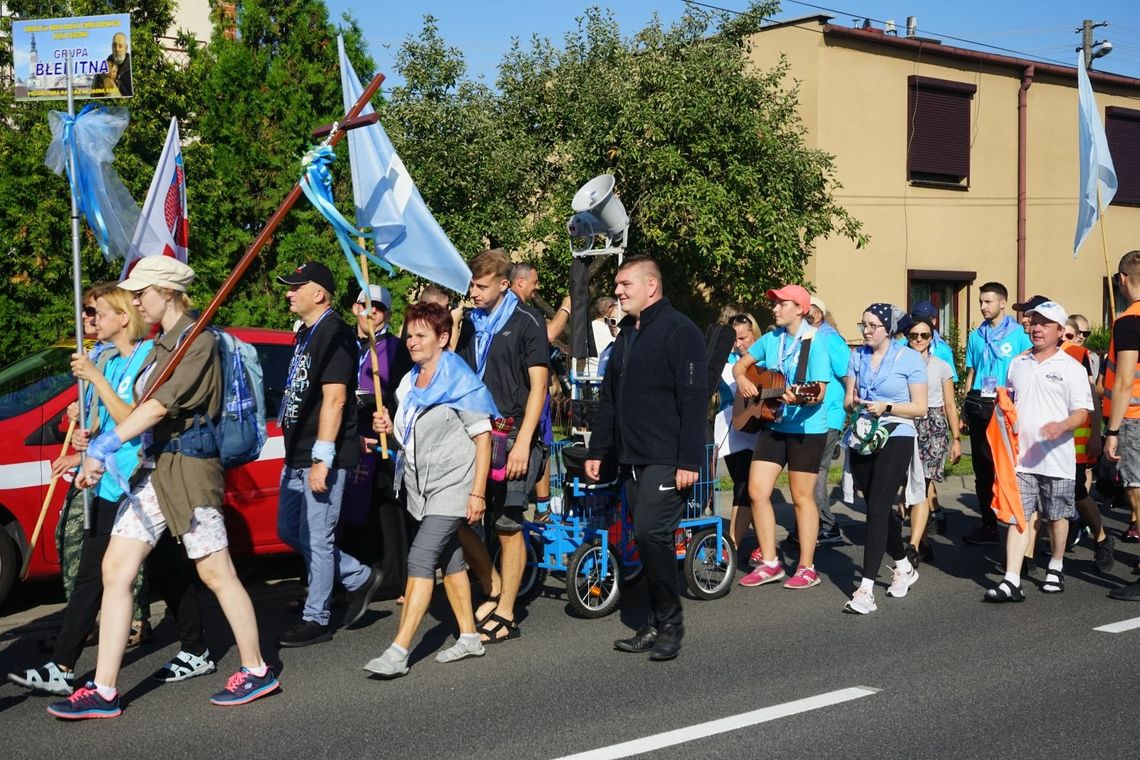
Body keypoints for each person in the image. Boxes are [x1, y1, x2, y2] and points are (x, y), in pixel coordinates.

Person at [51, 257, 278, 719]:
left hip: (191, 472)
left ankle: (257, 670)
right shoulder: (160, 348)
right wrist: (95, 449)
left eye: (142, 293)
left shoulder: (200, 342)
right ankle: (105, 689)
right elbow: (135, 409)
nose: (135, 301)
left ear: (168, 293)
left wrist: (106, 445)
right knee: (117, 568)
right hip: (153, 472)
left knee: (216, 573)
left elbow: (157, 408)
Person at [8, 286, 160, 695]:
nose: (88, 319)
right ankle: (62, 663)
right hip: (111, 478)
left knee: (187, 566)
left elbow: (132, 416)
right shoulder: (107, 359)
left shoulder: (146, 357)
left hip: (144, 478)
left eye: (96, 311)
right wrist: (83, 449)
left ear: (123, 317)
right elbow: (105, 425)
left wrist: (94, 382)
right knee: (94, 573)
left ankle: (198, 643)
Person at [364, 302, 498, 676]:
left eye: (421, 335)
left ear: (443, 338)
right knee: (451, 558)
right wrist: (387, 424)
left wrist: (477, 493)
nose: (412, 341)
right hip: (420, 485)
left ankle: (398, 650)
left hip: (455, 484)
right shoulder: (410, 381)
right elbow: (407, 435)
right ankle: (469, 636)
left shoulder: (458, 378)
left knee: (421, 558)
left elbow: (483, 437)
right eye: (409, 334)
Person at [586, 256, 706, 660]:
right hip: (631, 458)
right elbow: (609, 400)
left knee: (651, 533)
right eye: (618, 286)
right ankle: (654, 622)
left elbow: (693, 401)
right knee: (644, 536)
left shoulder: (680, 331)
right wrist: (599, 450)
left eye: (625, 284)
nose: (618, 292)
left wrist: (689, 460)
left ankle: (670, 624)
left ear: (651, 286)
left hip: (668, 457)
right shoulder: (627, 336)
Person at [275, 262, 384, 647]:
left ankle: (317, 617)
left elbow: (336, 399)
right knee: (289, 530)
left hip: (321, 454)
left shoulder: (334, 332)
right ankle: (358, 576)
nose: (288, 292)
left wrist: (323, 458)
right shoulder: (306, 334)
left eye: (295, 286)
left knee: (319, 538)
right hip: (296, 453)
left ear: (318, 293)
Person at [456, 249, 549, 643]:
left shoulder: (527, 321)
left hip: (512, 434)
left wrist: (524, 443)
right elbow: (454, 375)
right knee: (460, 517)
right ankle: (494, 586)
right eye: (471, 285)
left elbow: (540, 387)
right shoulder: (472, 323)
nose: (473, 293)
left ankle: (507, 613)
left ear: (504, 285)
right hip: (476, 435)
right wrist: (456, 326)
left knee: (509, 525)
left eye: (480, 286)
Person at [983, 301, 1093, 602]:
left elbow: (1082, 412)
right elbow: (1008, 402)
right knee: (1020, 516)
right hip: (1021, 458)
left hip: (1056, 457)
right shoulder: (1018, 363)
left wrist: (1062, 425)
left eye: (1045, 324)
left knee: (1057, 516)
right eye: (1034, 323)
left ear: (1060, 331)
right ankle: (1012, 579)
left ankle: (1056, 566)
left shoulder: (1071, 367)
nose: (1037, 328)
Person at [732, 285, 832, 590]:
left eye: (781, 304)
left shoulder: (815, 344)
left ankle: (806, 567)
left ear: (799, 309)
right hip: (773, 425)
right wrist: (743, 381)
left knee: (802, 498)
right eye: (774, 304)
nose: (774, 309)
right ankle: (771, 563)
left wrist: (800, 398)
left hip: (807, 430)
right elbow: (740, 366)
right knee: (757, 491)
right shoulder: (771, 339)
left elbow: (820, 392)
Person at [843, 304, 928, 615]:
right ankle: (904, 565)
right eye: (863, 324)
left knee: (878, 508)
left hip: (898, 431)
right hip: (864, 433)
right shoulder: (857, 357)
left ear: (889, 329)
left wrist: (887, 407)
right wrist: (854, 404)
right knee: (875, 506)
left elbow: (919, 408)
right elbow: (847, 402)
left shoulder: (909, 358)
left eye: (873, 325)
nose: (866, 330)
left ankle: (865, 590)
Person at [343, 284, 413, 590]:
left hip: (382, 432)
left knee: (387, 505)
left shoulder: (396, 348)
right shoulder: (344, 342)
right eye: (365, 305)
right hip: (350, 431)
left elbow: (407, 393)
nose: (371, 312)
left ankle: (396, 577)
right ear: (355, 308)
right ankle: (357, 576)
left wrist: (390, 415)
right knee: (351, 508)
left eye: (379, 308)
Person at [961, 283, 1032, 545]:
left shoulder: (1018, 335)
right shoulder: (976, 335)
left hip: (1005, 408)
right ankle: (988, 525)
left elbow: (1026, 372)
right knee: (982, 468)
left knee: (1008, 469)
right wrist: (965, 408)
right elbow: (971, 372)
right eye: (981, 302)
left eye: (988, 302)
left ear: (1003, 303)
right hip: (980, 404)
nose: (983, 307)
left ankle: (1019, 526)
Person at [508, 261, 566, 523]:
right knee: (540, 446)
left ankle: (542, 506)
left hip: (516, 396)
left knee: (540, 446)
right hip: (528, 397)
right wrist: (567, 306)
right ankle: (541, 508)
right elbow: (549, 334)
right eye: (534, 282)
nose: (537, 287)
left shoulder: (506, 312)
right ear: (520, 281)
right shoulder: (524, 314)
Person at [903, 314, 961, 565]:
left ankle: (913, 545)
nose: (918, 339)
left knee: (924, 484)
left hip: (934, 424)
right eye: (914, 335)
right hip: (906, 421)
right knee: (907, 485)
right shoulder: (899, 363)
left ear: (931, 337)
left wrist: (956, 437)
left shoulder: (940, 366)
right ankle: (923, 542)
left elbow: (950, 403)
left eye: (924, 335)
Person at [1059, 318, 1112, 570]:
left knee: (1078, 492)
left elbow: (1092, 395)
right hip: (1047, 438)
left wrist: (1094, 434)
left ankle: (1101, 539)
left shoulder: (1077, 355)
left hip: (1075, 437)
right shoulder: (1029, 355)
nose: (1068, 340)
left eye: (1070, 335)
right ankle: (1024, 558)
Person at [1106, 251, 1140, 601]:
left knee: (1137, 489)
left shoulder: (1129, 320)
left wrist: (1112, 431)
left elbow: (1125, 380)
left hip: (1135, 419)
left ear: (1122, 280)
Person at [713, 313, 761, 555]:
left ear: (755, 335)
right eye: (734, 339)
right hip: (731, 431)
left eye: (743, 338)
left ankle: (731, 545)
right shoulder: (725, 361)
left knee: (750, 488)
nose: (738, 343)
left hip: (759, 430)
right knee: (743, 485)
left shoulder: (765, 359)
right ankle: (752, 544)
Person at [803, 295, 849, 546]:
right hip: (812, 415)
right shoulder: (810, 338)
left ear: (817, 314)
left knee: (816, 471)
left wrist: (850, 411)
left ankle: (828, 525)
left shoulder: (831, 339)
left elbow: (847, 375)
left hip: (829, 414)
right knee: (808, 471)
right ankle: (813, 523)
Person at [107, 32, 132, 97]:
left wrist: (112, 80)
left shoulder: (131, 68)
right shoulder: (103, 68)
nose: (117, 49)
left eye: (120, 46)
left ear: (126, 48)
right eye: (114, 45)